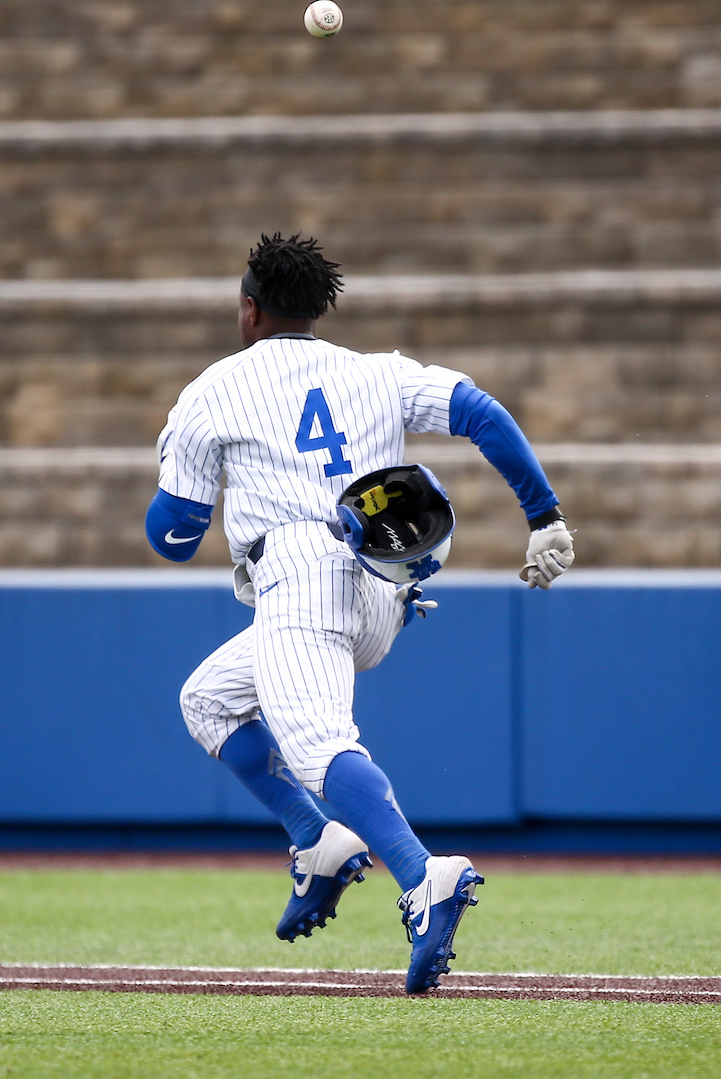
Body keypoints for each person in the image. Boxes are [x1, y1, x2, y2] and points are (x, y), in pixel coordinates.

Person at [145, 233, 574, 994]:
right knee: (208, 701)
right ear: (317, 309)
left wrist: (175, 478)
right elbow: (481, 411)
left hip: (301, 576)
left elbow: (172, 538)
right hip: (382, 586)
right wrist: (543, 516)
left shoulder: (214, 390)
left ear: (249, 309)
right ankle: (318, 840)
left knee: (316, 748)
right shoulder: (373, 372)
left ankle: (423, 876)